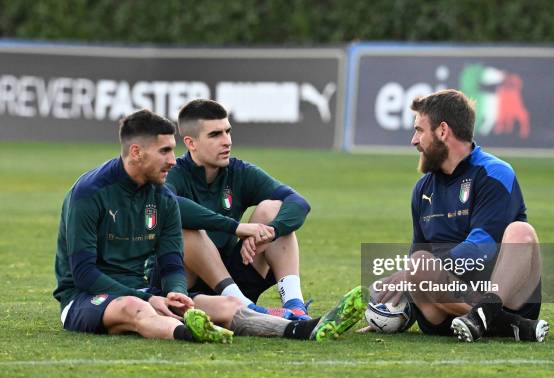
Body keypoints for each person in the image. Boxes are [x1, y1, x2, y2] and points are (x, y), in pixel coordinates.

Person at [53, 109, 365, 343]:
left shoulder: (161, 195)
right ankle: (190, 334)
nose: (173, 160)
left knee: (225, 306)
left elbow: (172, 261)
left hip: (149, 290)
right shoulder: (89, 194)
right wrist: (153, 298)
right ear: (136, 152)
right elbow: (84, 274)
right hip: (85, 297)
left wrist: (176, 292)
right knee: (135, 309)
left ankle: (301, 327)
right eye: (164, 151)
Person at [363, 89, 548, 342]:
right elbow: (418, 260)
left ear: (442, 131)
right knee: (418, 261)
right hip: (444, 311)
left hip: (505, 296)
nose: (413, 141)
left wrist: (415, 270)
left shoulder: (494, 173)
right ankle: (509, 325)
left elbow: (483, 246)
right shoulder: (422, 189)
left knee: (521, 233)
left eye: (419, 130)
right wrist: (391, 309)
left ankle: (487, 315)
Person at [163, 99, 311, 320]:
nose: (227, 141)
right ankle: (247, 309)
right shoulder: (171, 173)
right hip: (186, 288)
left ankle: (295, 306)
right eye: (215, 135)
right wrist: (237, 228)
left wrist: (271, 231)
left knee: (272, 208)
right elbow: (168, 205)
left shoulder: (239, 171)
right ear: (191, 143)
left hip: (235, 277)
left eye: (228, 131)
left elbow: (298, 202)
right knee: (187, 229)